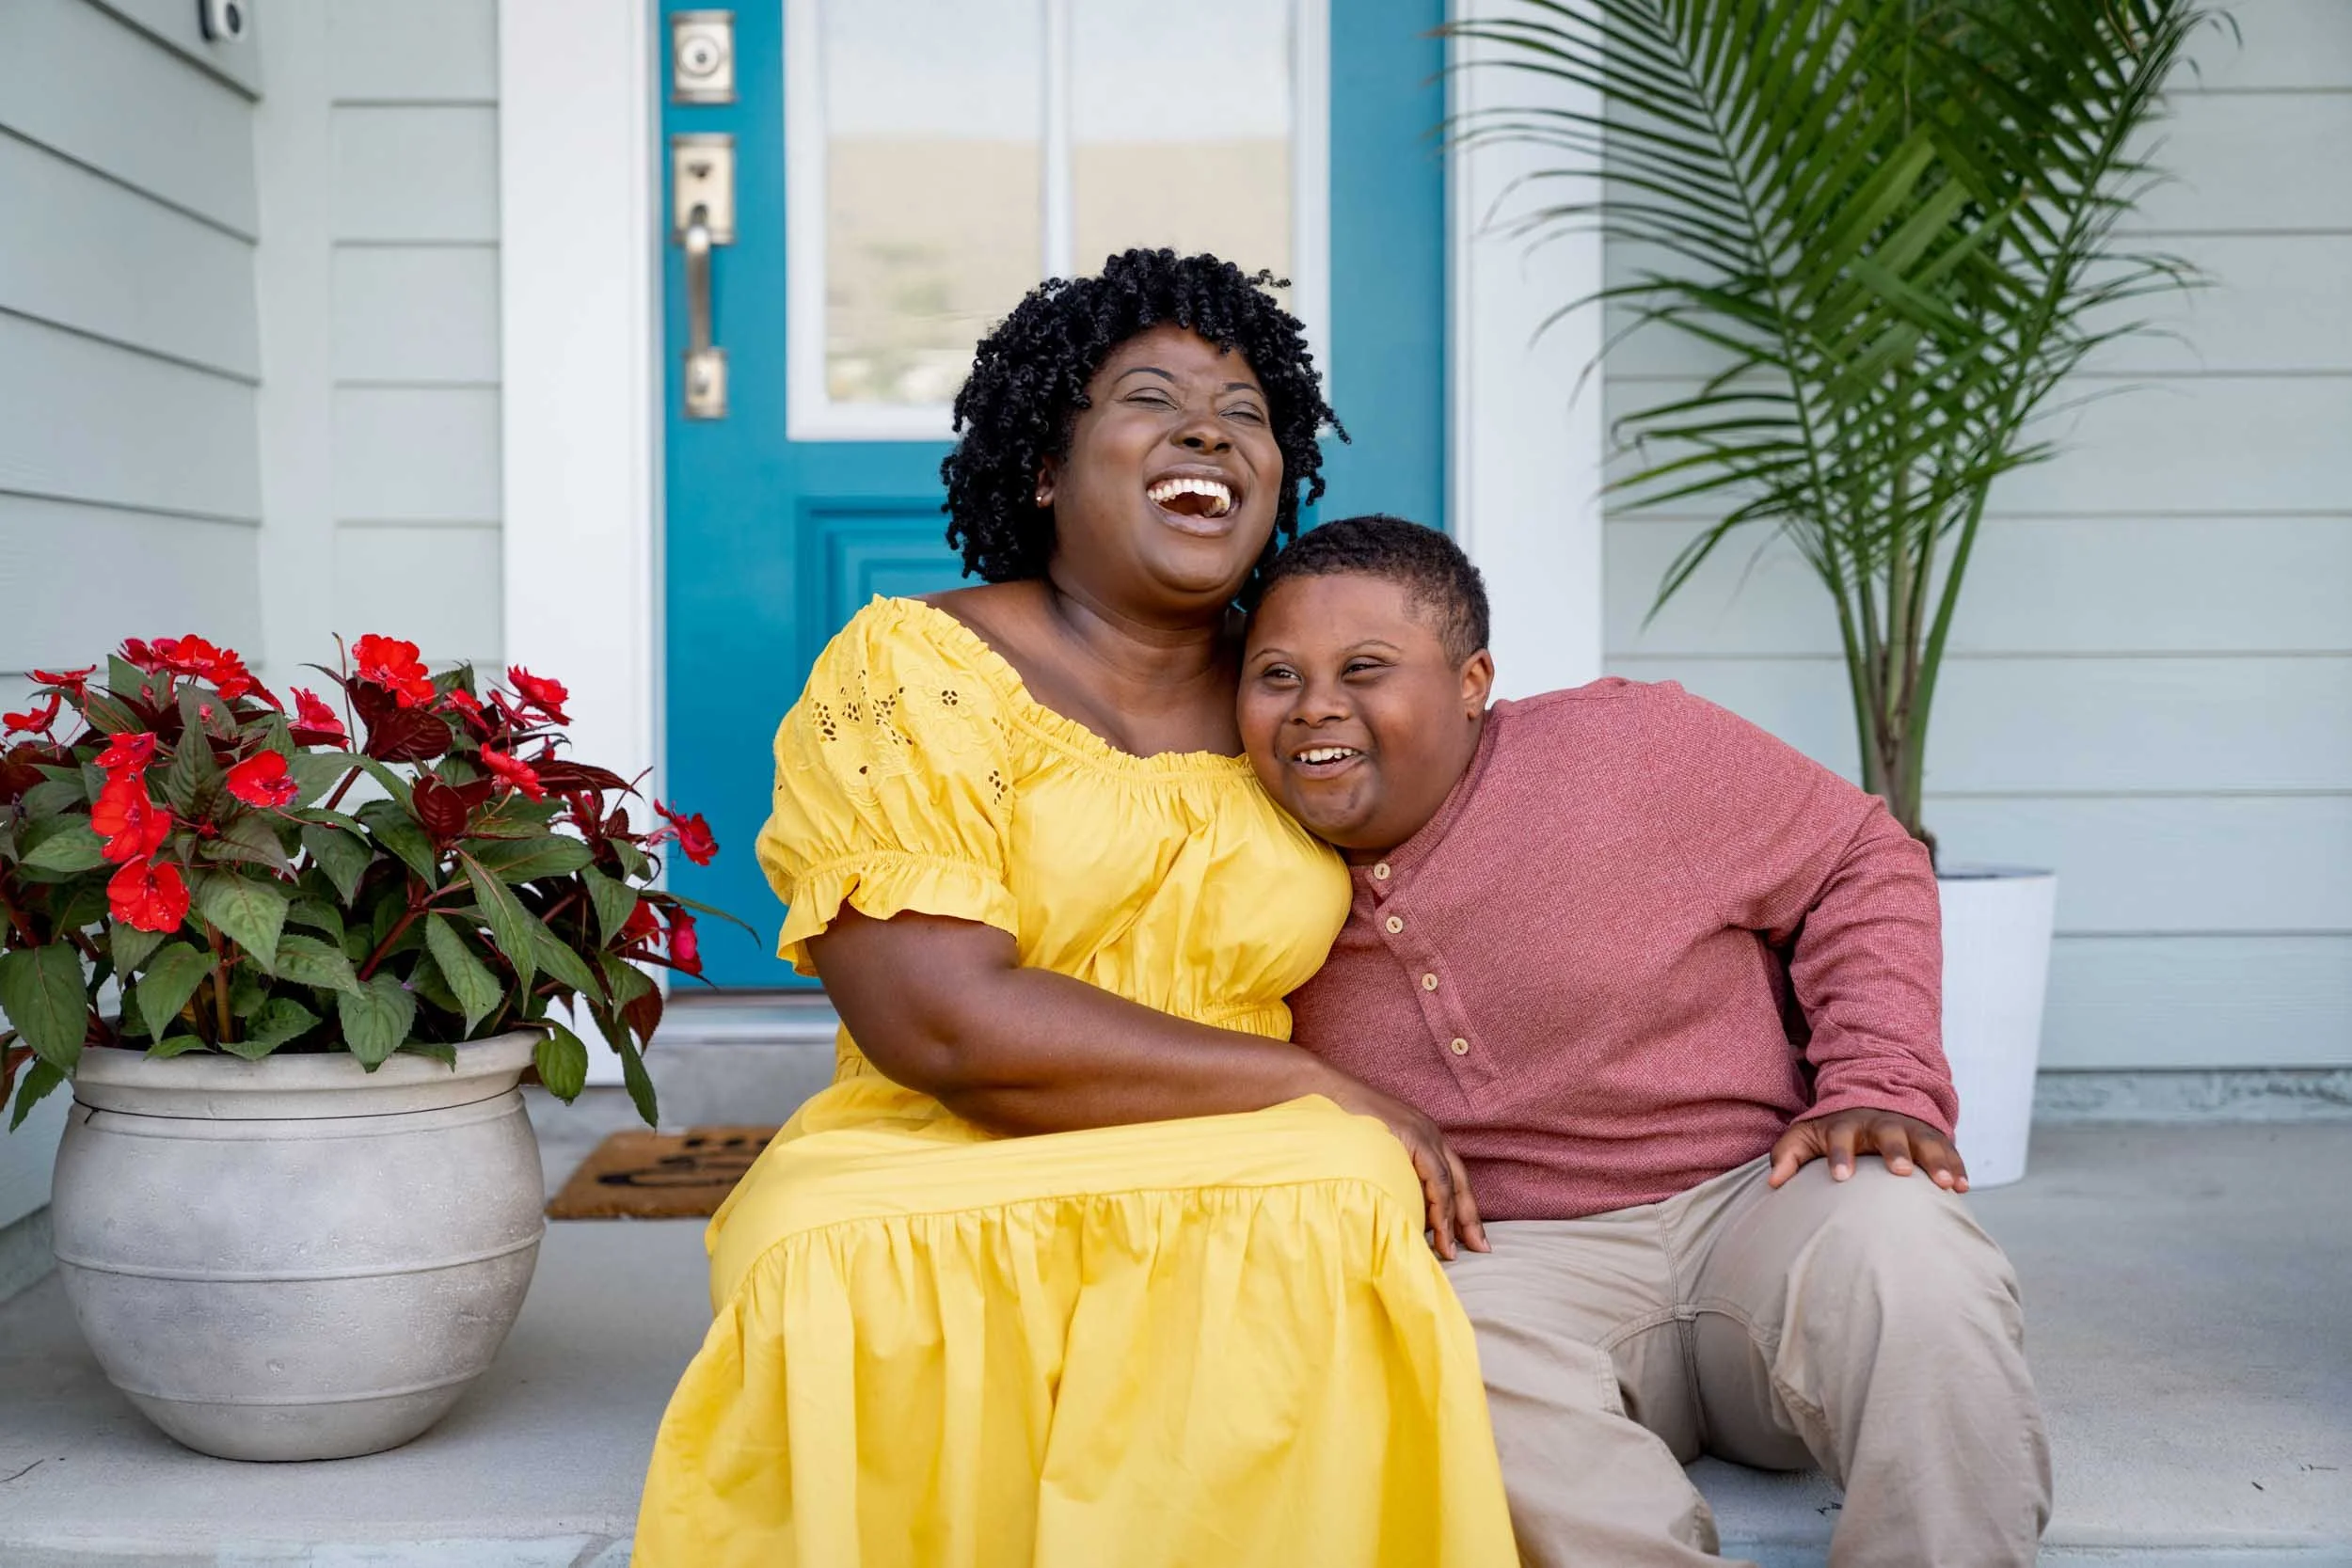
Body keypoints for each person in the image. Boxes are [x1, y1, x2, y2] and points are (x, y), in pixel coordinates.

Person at [634, 259, 1518, 1566]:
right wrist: (1304, 1079)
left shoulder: (1299, 697)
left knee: (1335, 1188)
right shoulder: (907, 671)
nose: (1212, 429)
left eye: (1249, 410)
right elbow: (941, 1026)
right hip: (932, 1144)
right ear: (1046, 465)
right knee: (829, 1254)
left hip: (1251, 1155)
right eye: (1150, 397)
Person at [1237, 515, 2054, 1568]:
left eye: (1364, 668)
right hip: (1506, 1266)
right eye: (1275, 675)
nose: (1315, 708)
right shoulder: (1227, 858)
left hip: (1755, 1200)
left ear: (1472, 677)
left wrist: (1880, 1071)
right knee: (1430, 1358)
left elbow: (1860, 854)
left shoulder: (1629, 750)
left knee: (1913, 1248)